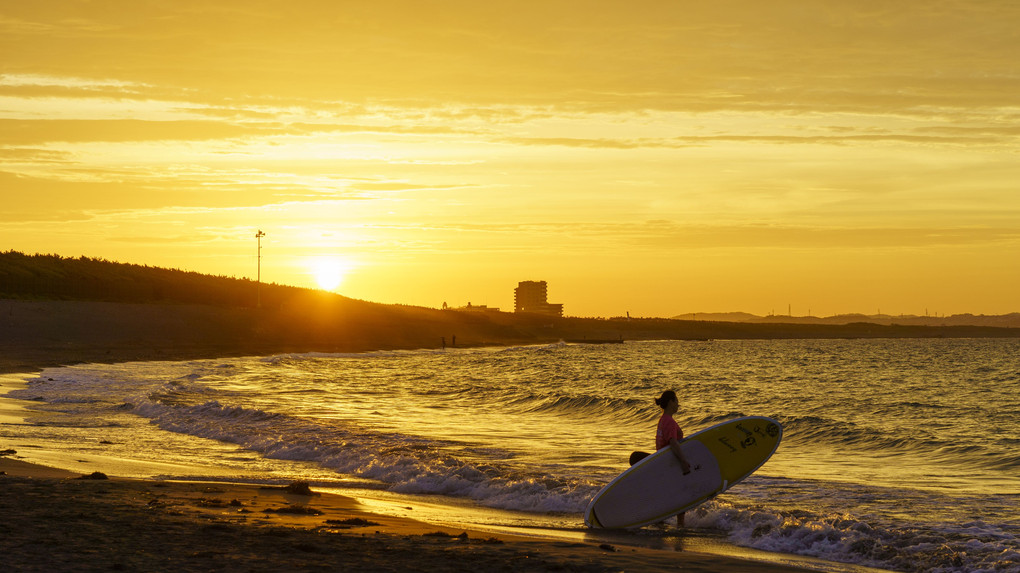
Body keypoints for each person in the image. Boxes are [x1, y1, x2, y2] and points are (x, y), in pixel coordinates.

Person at [655, 389, 691, 527]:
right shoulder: (669, 421)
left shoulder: (663, 419)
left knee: (671, 494)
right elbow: (673, 442)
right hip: (671, 464)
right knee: (681, 496)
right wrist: (683, 461)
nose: (678, 404)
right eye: (676, 401)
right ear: (671, 402)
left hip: (665, 464)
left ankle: (660, 520)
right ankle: (680, 526)